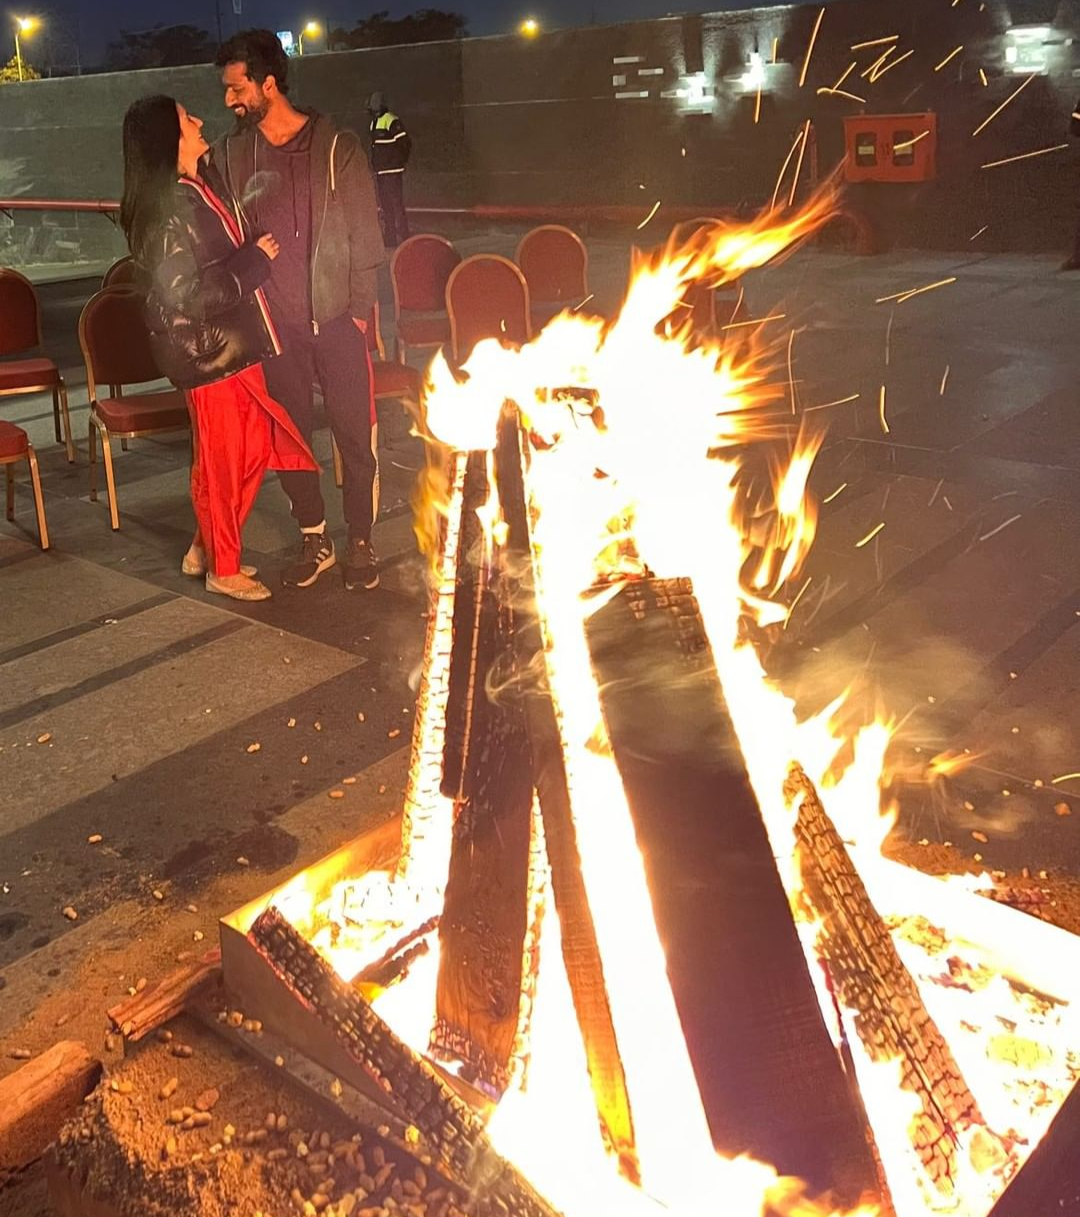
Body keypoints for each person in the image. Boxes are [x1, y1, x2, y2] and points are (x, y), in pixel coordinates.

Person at [119, 93, 317, 602]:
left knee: (243, 451)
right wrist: (253, 263)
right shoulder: (167, 210)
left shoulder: (192, 188)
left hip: (228, 348)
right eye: (188, 119)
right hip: (209, 353)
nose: (200, 120)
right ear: (170, 137)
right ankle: (223, 567)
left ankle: (206, 548)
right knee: (226, 460)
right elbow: (186, 294)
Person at [212, 29, 385, 591]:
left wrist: (359, 309)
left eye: (237, 89)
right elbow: (216, 230)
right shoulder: (234, 154)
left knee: (354, 435)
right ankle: (316, 536)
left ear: (268, 82)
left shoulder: (338, 147)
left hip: (338, 320)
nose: (230, 101)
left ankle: (360, 536)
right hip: (275, 327)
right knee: (292, 439)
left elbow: (366, 229)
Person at [366, 91, 412, 248]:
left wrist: (400, 161)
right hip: (381, 171)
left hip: (392, 171)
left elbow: (405, 142)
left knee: (396, 205)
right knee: (386, 206)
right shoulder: (374, 123)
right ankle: (390, 238)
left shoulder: (391, 120)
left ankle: (405, 238)